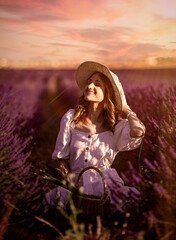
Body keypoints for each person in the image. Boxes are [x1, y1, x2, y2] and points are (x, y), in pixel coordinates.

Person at [45, 61, 146, 214]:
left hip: (105, 187)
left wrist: (126, 108)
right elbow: (62, 161)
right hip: (75, 185)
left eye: (97, 84)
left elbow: (138, 131)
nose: (90, 86)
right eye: (89, 82)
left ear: (107, 93)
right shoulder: (71, 118)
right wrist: (71, 185)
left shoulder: (116, 126)